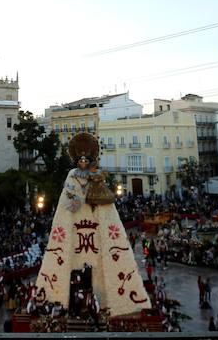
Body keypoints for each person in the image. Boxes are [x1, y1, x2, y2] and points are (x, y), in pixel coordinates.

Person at [35, 133, 151, 316]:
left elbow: (102, 192)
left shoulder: (95, 174)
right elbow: (68, 193)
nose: (82, 162)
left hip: (96, 217)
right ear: (76, 161)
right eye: (79, 159)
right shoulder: (72, 175)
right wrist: (75, 198)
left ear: (89, 159)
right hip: (74, 219)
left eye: (85, 159)